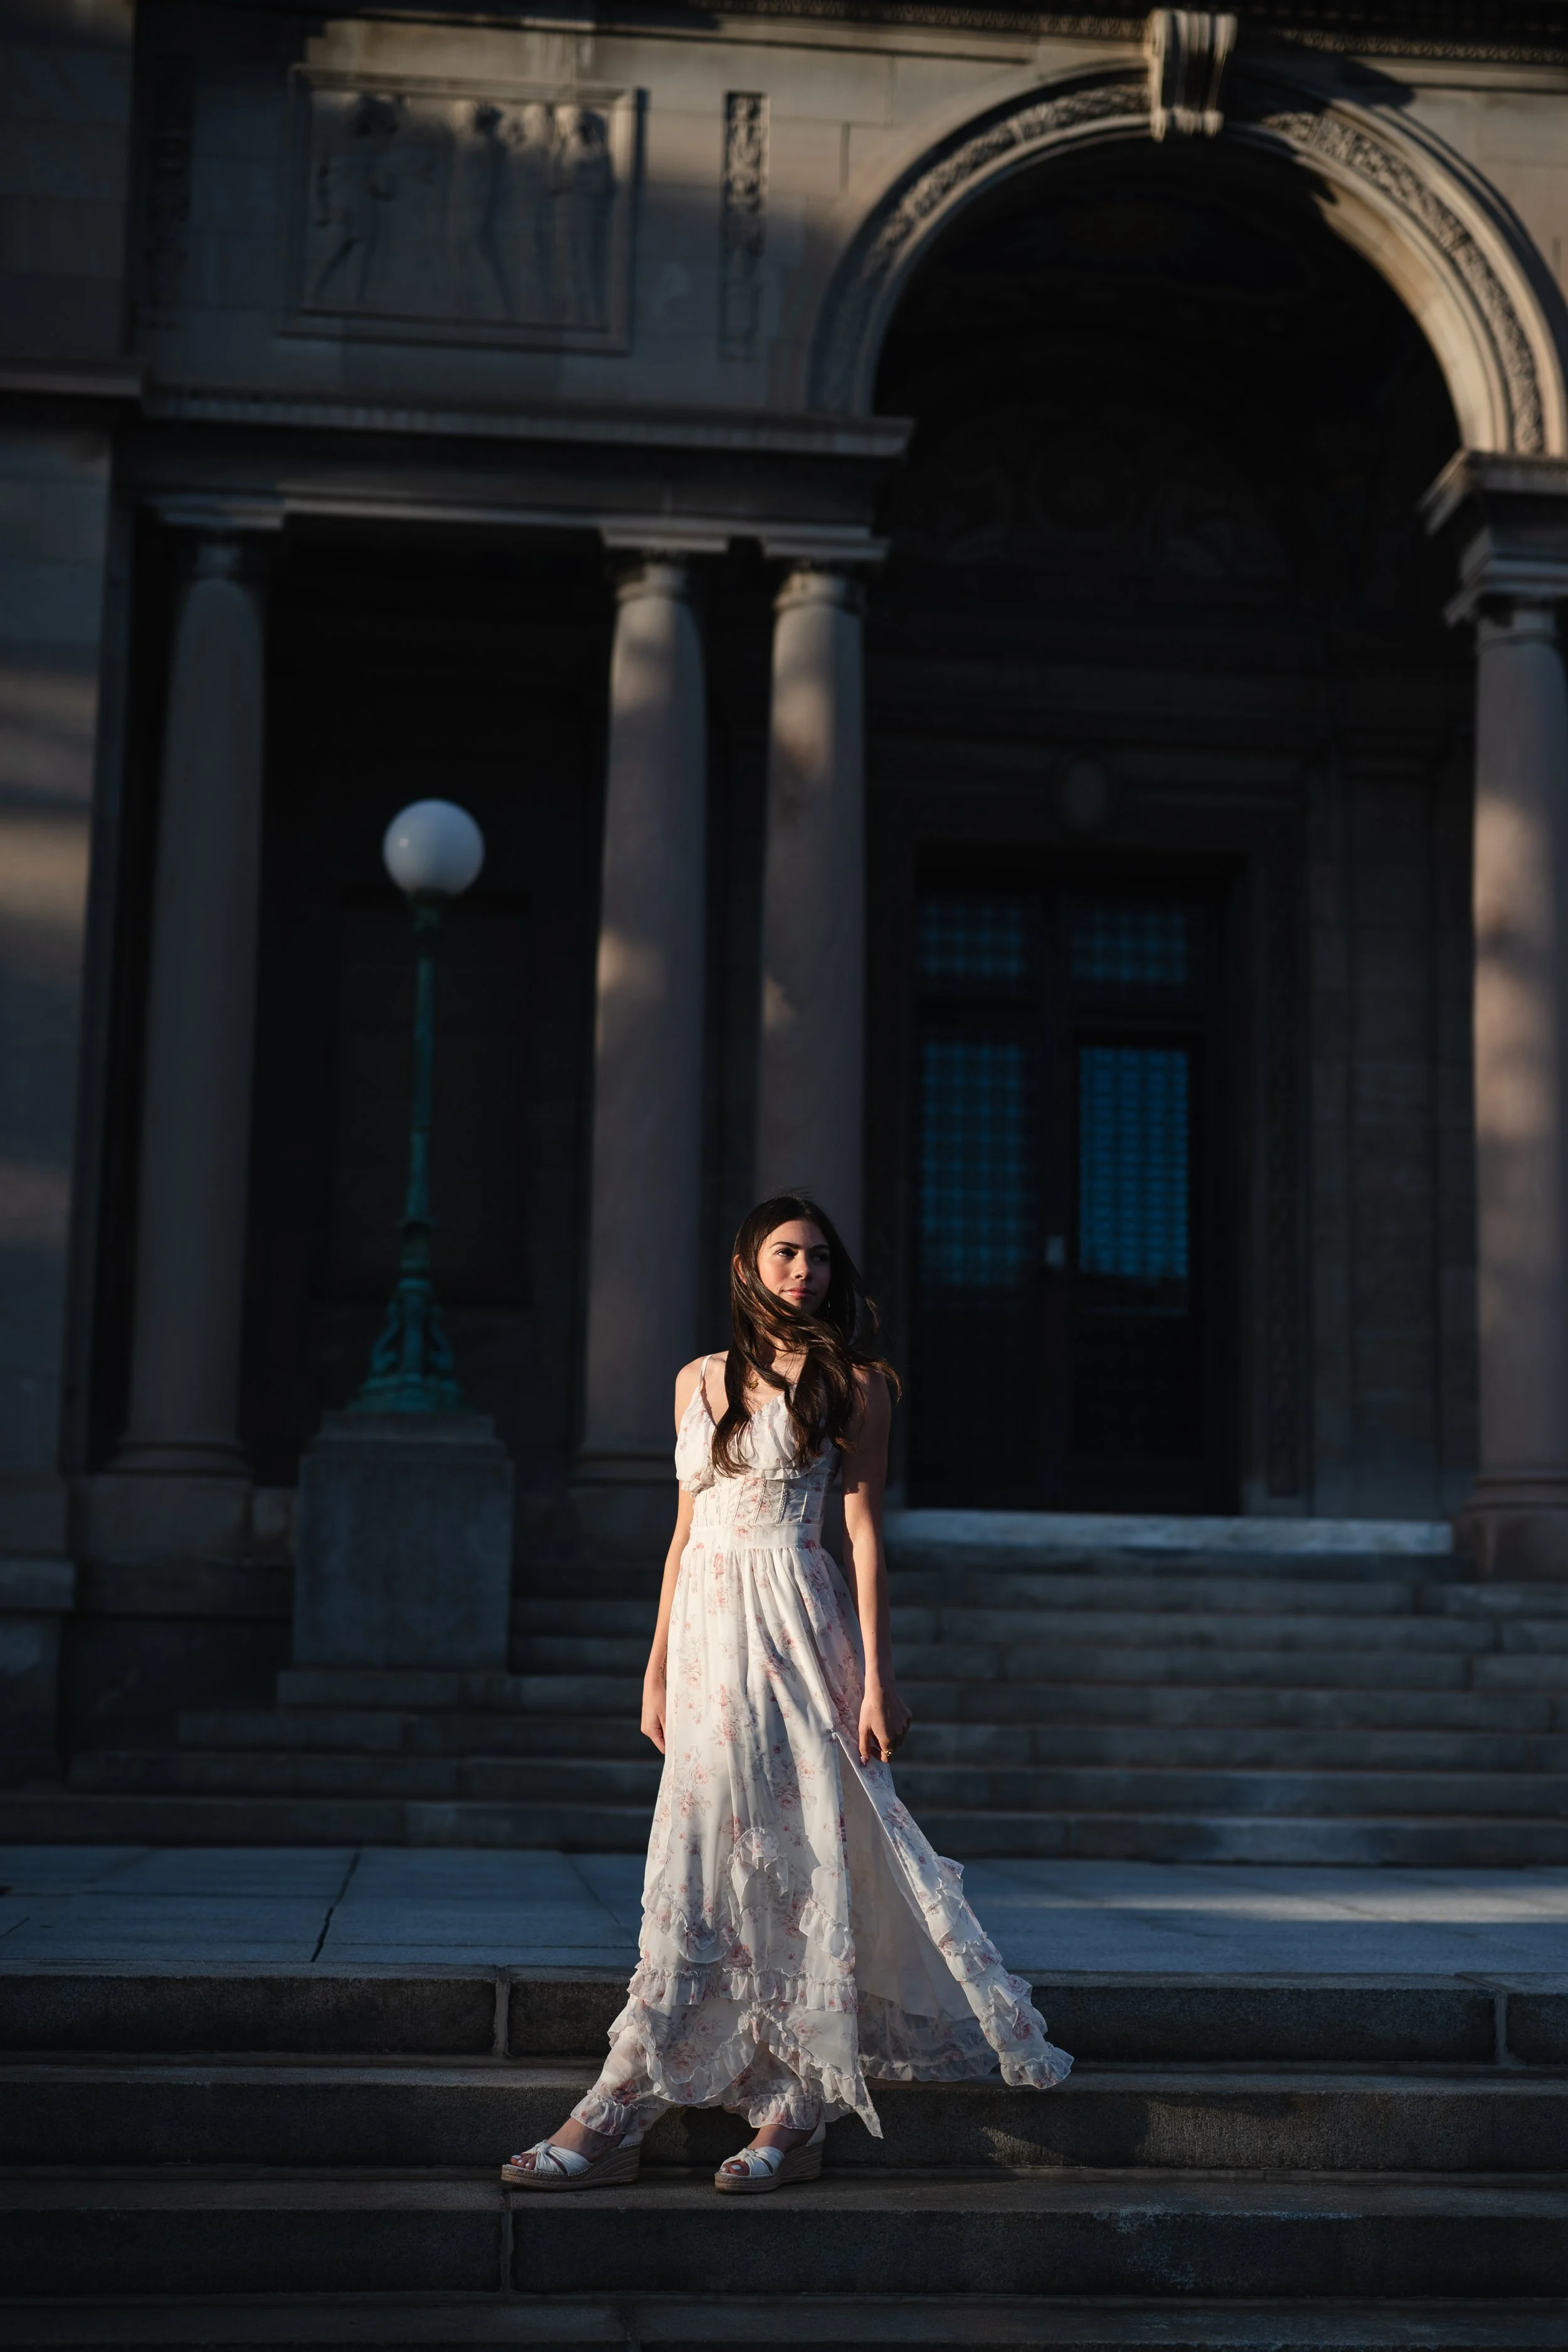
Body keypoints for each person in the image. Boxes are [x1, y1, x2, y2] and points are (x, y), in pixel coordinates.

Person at [502, 1193, 1071, 2195]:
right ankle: (623, 2099)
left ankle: (793, 2106)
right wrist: (652, 1665)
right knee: (698, 1859)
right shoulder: (696, 1380)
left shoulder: (855, 1383)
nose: (802, 1269)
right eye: (783, 1253)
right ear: (746, 1266)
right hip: (706, 1633)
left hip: (800, 1628)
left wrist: (881, 1679)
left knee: (804, 1850)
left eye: (816, 1255)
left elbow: (863, 1535)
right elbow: (684, 1533)